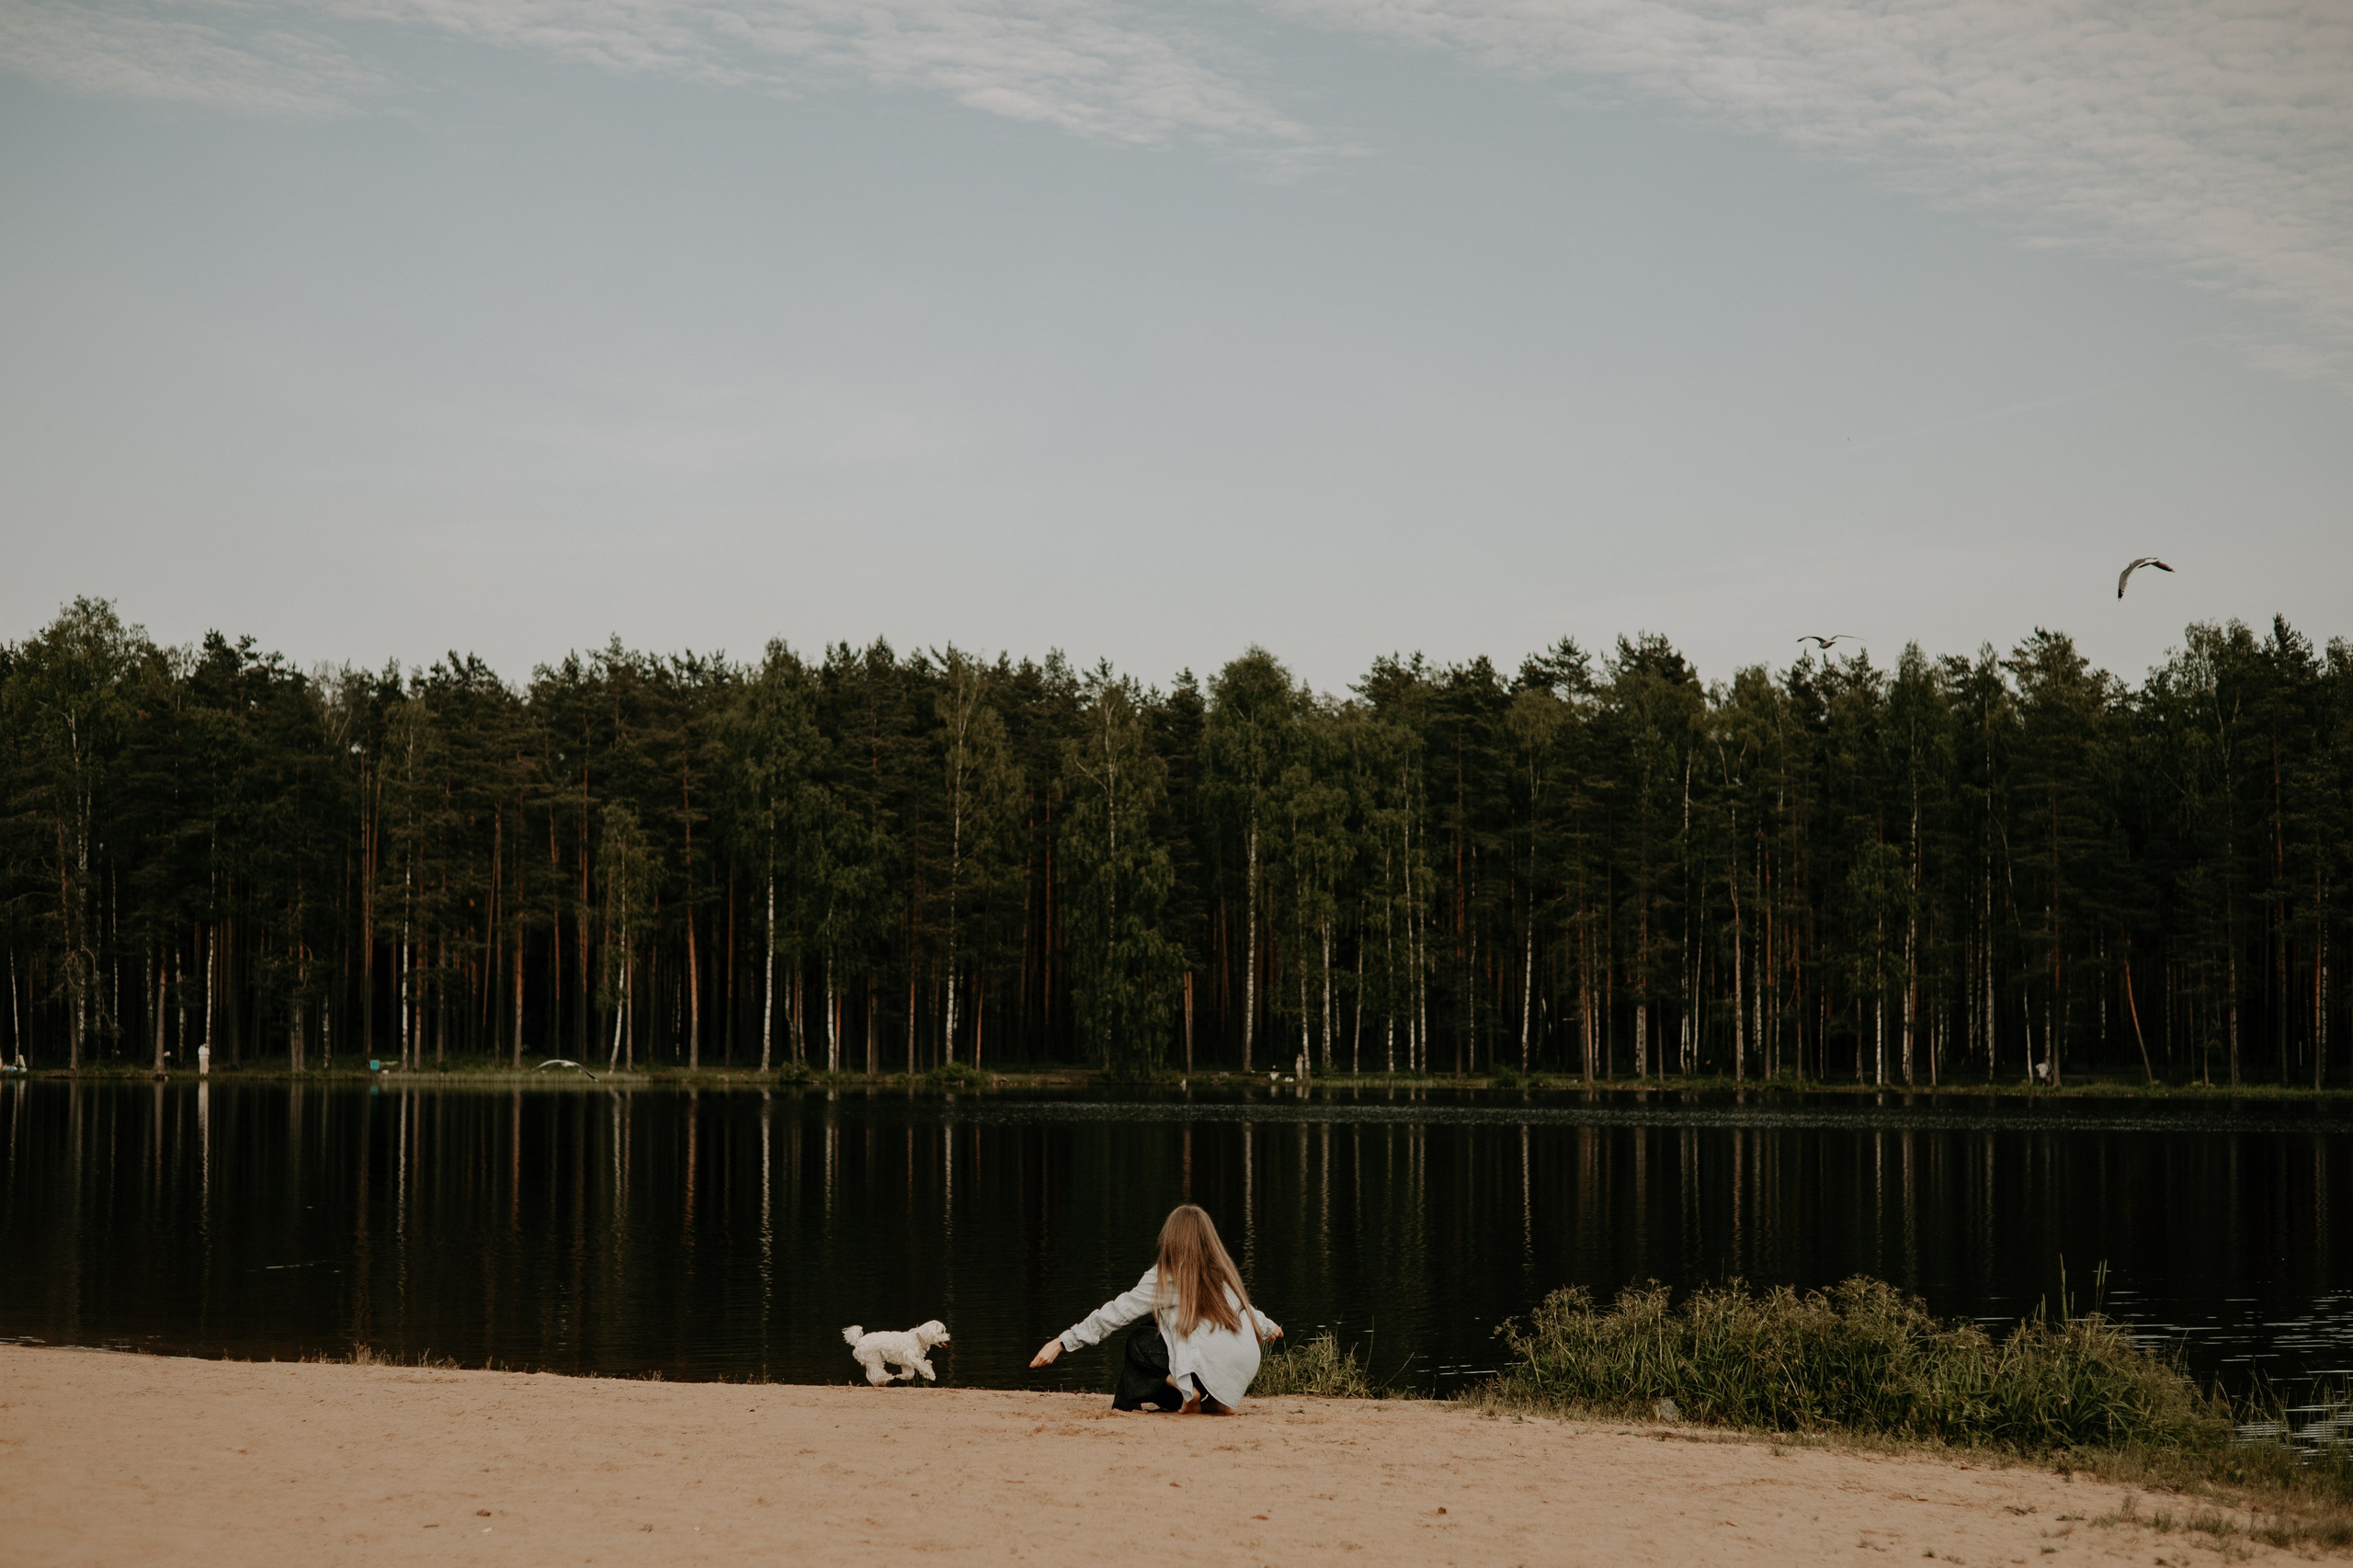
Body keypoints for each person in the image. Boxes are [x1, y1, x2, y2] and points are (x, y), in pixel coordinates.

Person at [1030, 1204, 1281, 1414]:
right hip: (1244, 1364)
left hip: (1210, 1366)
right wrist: (1268, 1325)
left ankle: (1189, 1392)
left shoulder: (1167, 1277)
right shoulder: (1220, 1270)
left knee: (1139, 1341)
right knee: (1164, 1329)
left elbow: (1118, 1311)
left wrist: (1064, 1341)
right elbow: (1242, 1307)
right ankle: (1218, 1401)